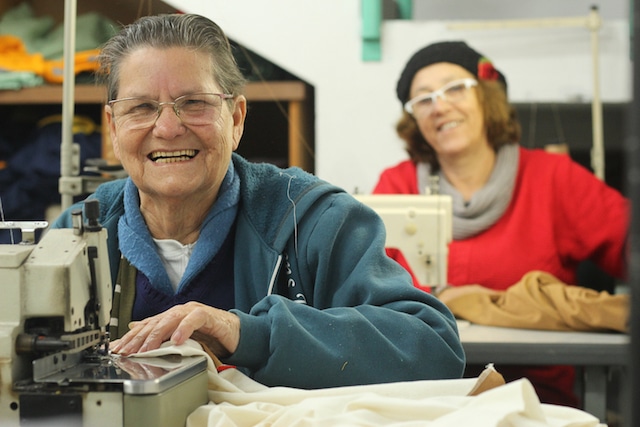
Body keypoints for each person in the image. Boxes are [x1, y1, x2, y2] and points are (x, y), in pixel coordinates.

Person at [51, 14, 465, 390]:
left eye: (193, 103)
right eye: (141, 107)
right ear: (113, 128)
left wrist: (247, 333)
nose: (168, 127)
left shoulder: (315, 219)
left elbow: (435, 347)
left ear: (235, 119)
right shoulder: (74, 236)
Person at [373, 40, 628, 407]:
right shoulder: (395, 187)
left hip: (537, 401)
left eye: (454, 88)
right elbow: (365, 287)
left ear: (487, 97)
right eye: (423, 99)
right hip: (430, 398)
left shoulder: (552, 179)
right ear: (414, 119)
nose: (439, 106)